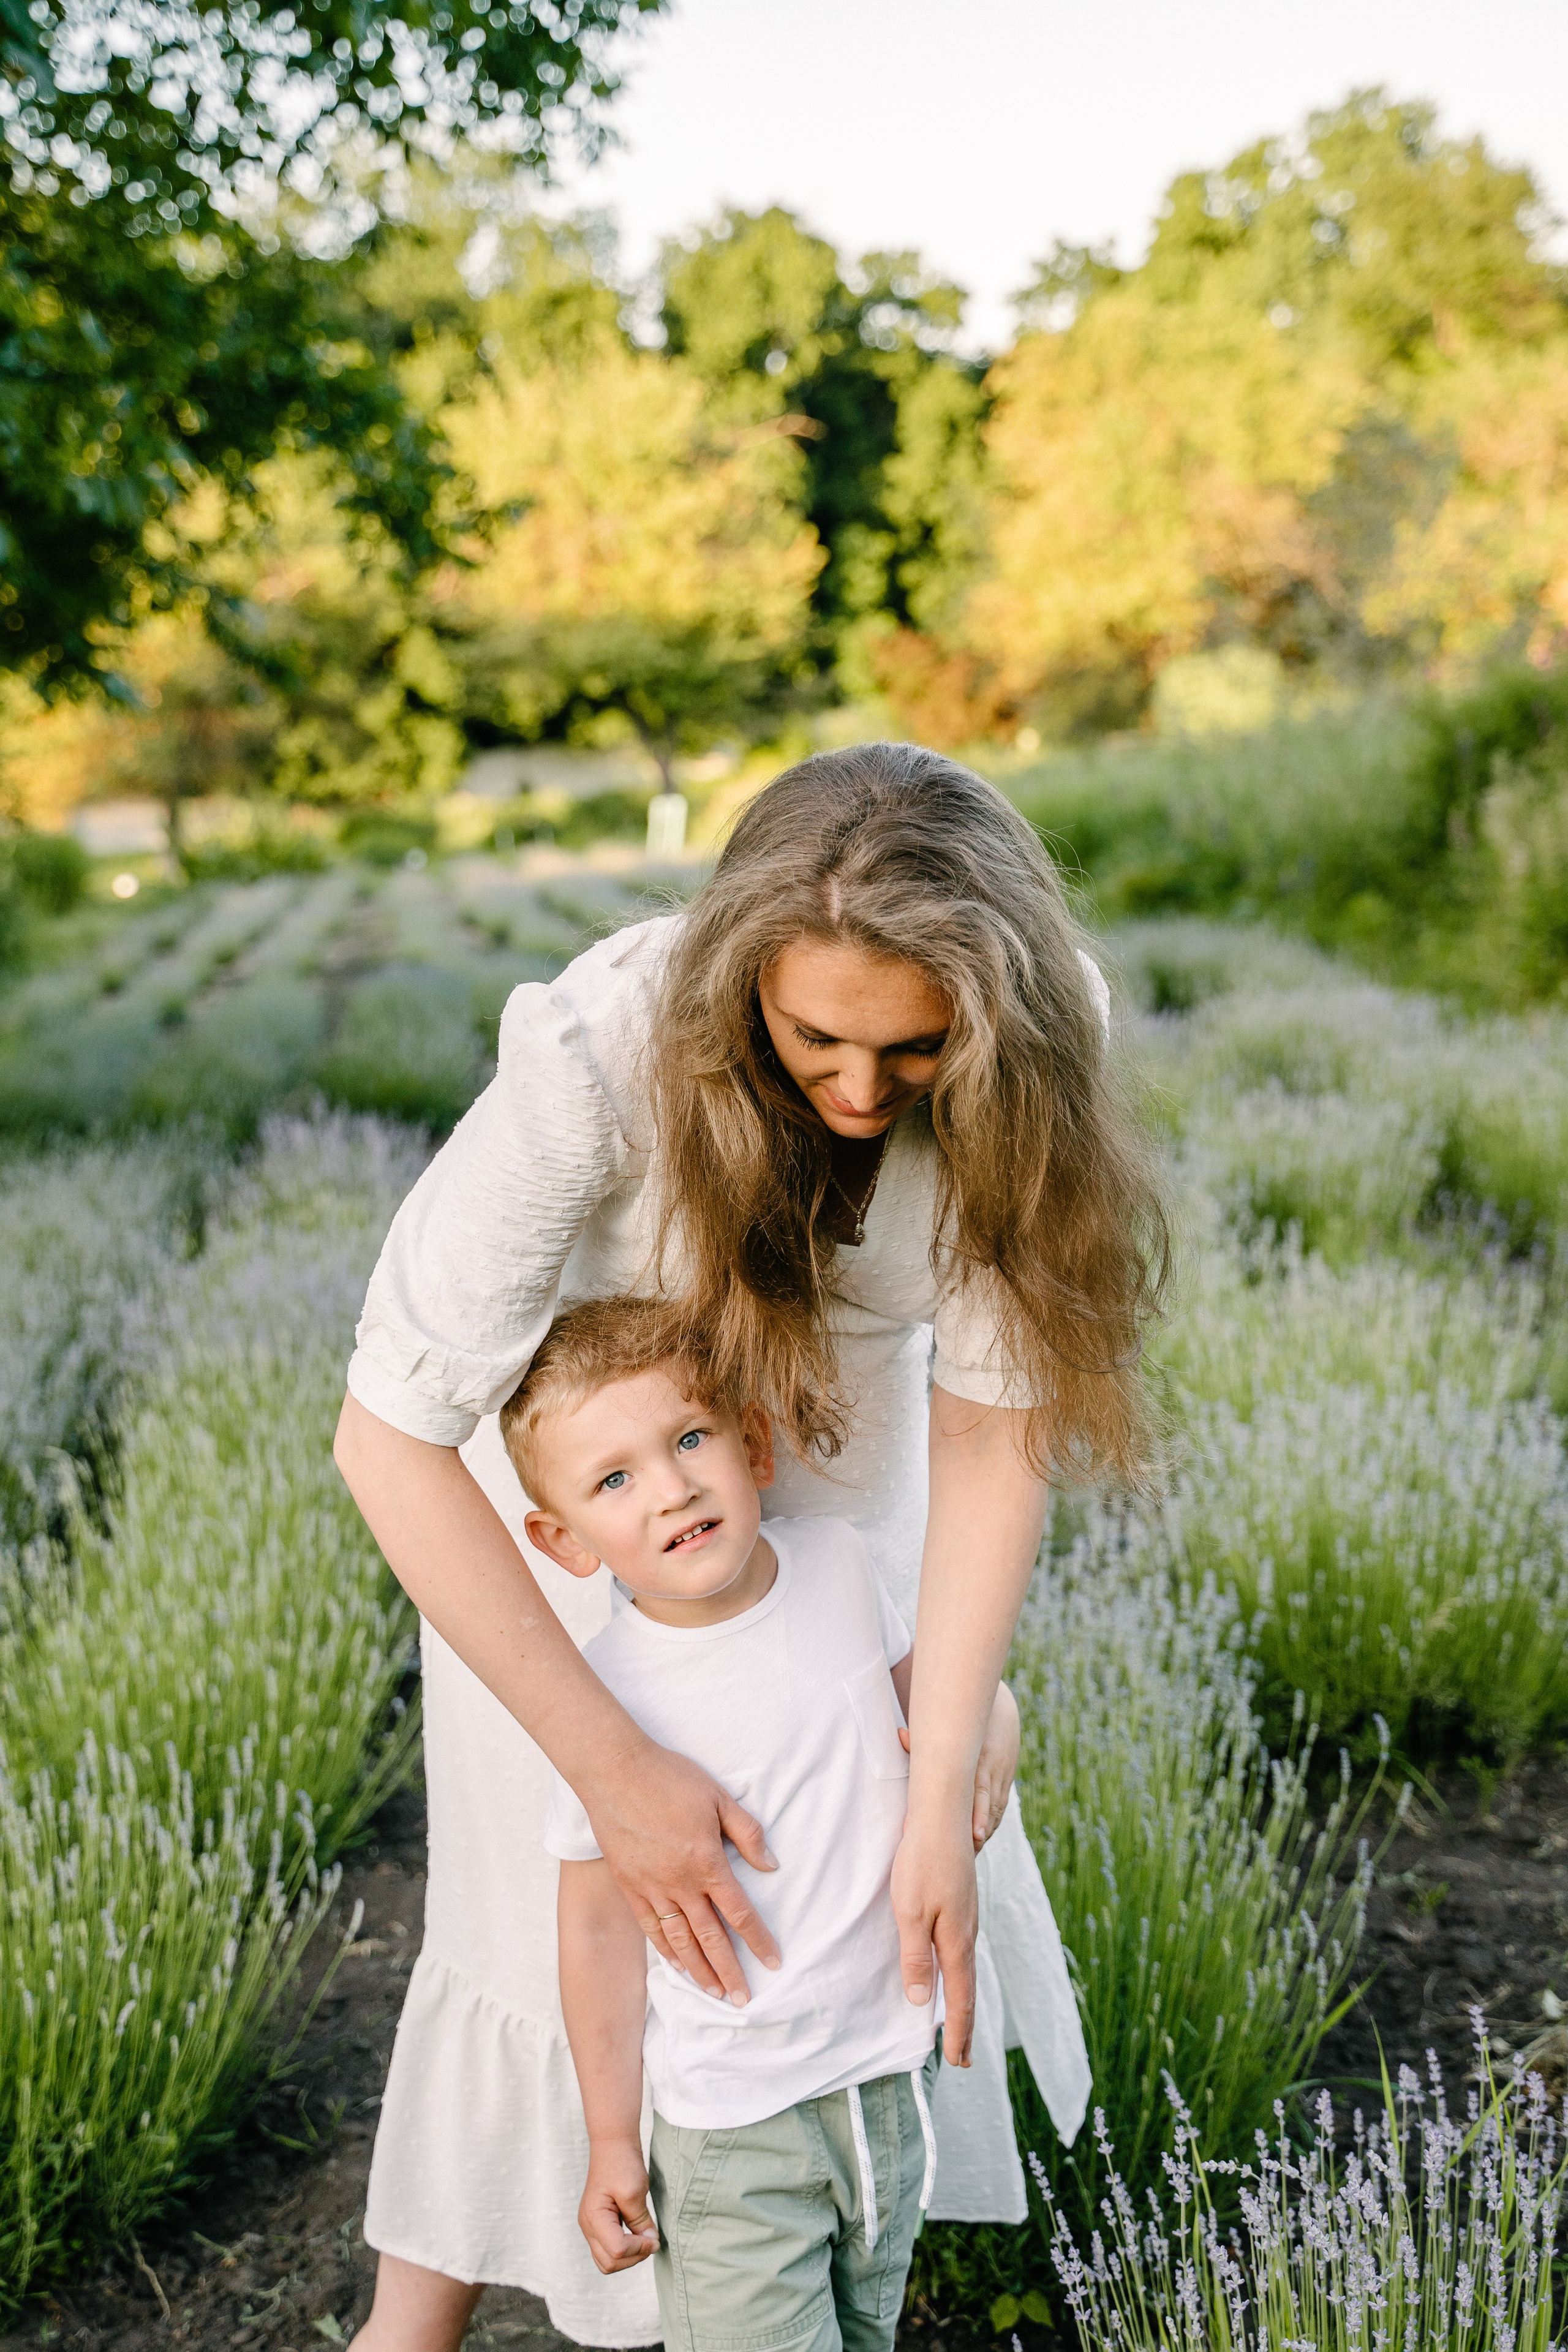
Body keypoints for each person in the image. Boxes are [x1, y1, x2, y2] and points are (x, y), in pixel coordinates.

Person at [334, 741, 1166, 2350]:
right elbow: (390, 1435)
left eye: (914, 1053)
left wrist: (941, 1764)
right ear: (742, 988)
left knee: (837, 1911)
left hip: (841, 1494)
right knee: (561, 1925)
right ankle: (411, 2330)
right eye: (817, 1042)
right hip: (602, 1515)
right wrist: (613, 1770)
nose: (860, 1096)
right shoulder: (597, 1062)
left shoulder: (1034, 1019)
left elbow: (994, 1426)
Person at [508, 1295, 954, 2351]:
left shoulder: (840, 1564)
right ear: (565, 1541)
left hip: (889, 2077)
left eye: (690, 1438)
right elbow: (598, 1932)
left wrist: (993, 1724)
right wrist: (613, 2138)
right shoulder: (604, 1705)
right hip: (741, 2121)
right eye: (615, 1480)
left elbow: (927, 1709)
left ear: (752, 1442)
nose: (670, 1489)